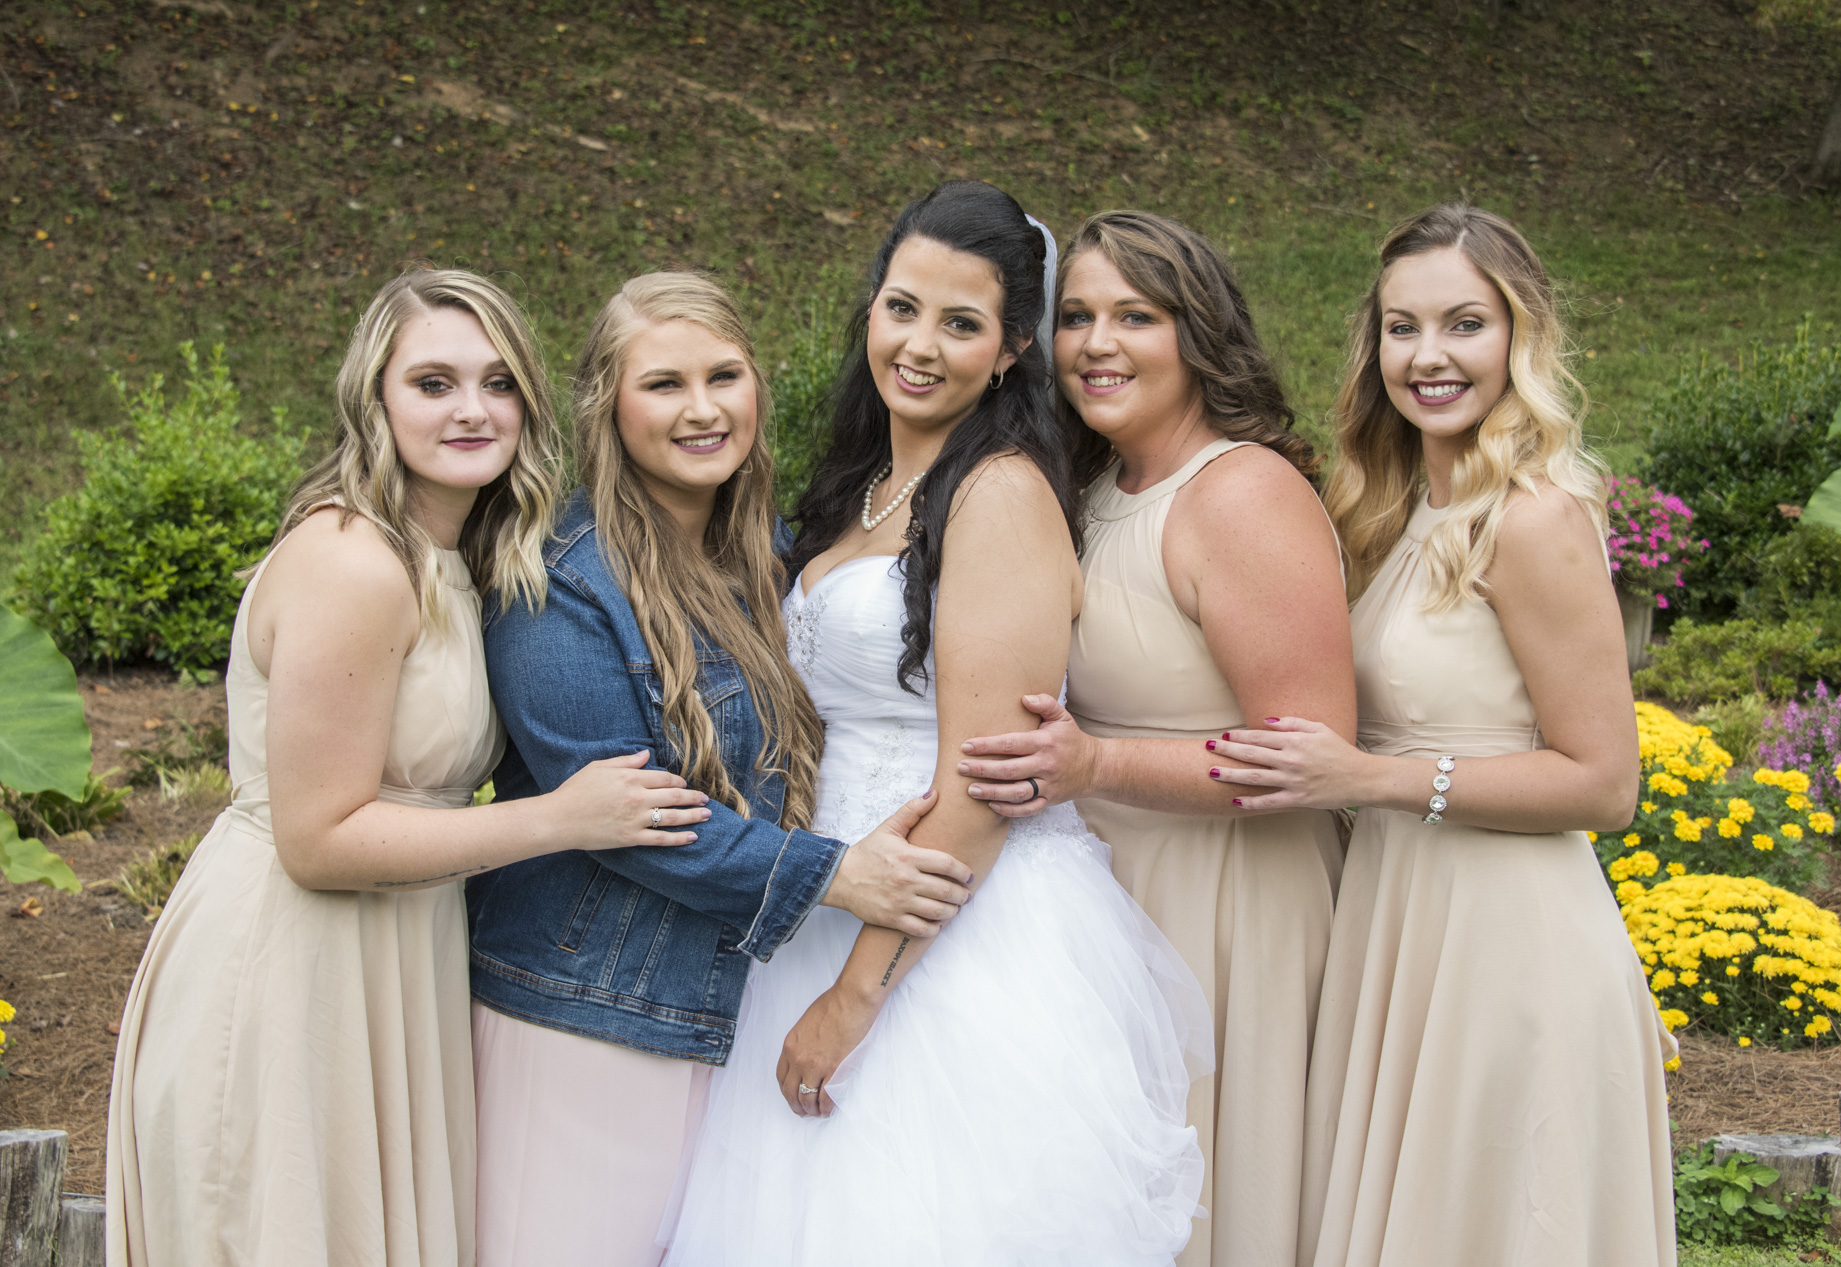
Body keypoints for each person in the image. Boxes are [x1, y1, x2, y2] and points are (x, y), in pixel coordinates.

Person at [664, 180, 1212, 1267]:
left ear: (1010, 350)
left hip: (949, 929)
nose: (920, 345)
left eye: (962, 324)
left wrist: (856, 994)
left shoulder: (999, 492)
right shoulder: (861, 483)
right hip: (832, 888)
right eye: (902, 307)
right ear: (869, 307)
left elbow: (988, 779)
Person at [105, 268, 701, 1267]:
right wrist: (563, 817)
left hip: (392, 951)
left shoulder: (452, 559)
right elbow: (318, 838)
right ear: (373, 399)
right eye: (433, 382)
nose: (472, 408)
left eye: (498, 381)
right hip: (294, 962)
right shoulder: (355, 561)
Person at [465, 271, 976, 1267]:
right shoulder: (560, 584)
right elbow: (631, 815)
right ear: (607, 409)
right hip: (585, 1012)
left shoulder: (761, 557)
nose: (702, 409)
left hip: (713, 1005)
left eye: (723, 376)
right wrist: (835, 872)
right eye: (663, 385)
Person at [1209, 204, 1675, 1266]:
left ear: (1519, 335)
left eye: (1463, 324)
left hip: (1507, 947)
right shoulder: (1389, 508)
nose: (1428, 357)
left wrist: (1370, 776)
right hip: (1397, 923)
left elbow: (1604, 785)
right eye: (1400, 327)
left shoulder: (1535, 518)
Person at [956, 209, 1356, 1267]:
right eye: (1078, 315)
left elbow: (1311, 749)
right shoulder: (1087, 490)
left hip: (1233, 905)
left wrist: (1097, 762)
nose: (1097, 343)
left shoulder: (1240, 493)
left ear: (1199, 333)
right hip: (1104, 892)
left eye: (1136, 315)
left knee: (1216, 1196)